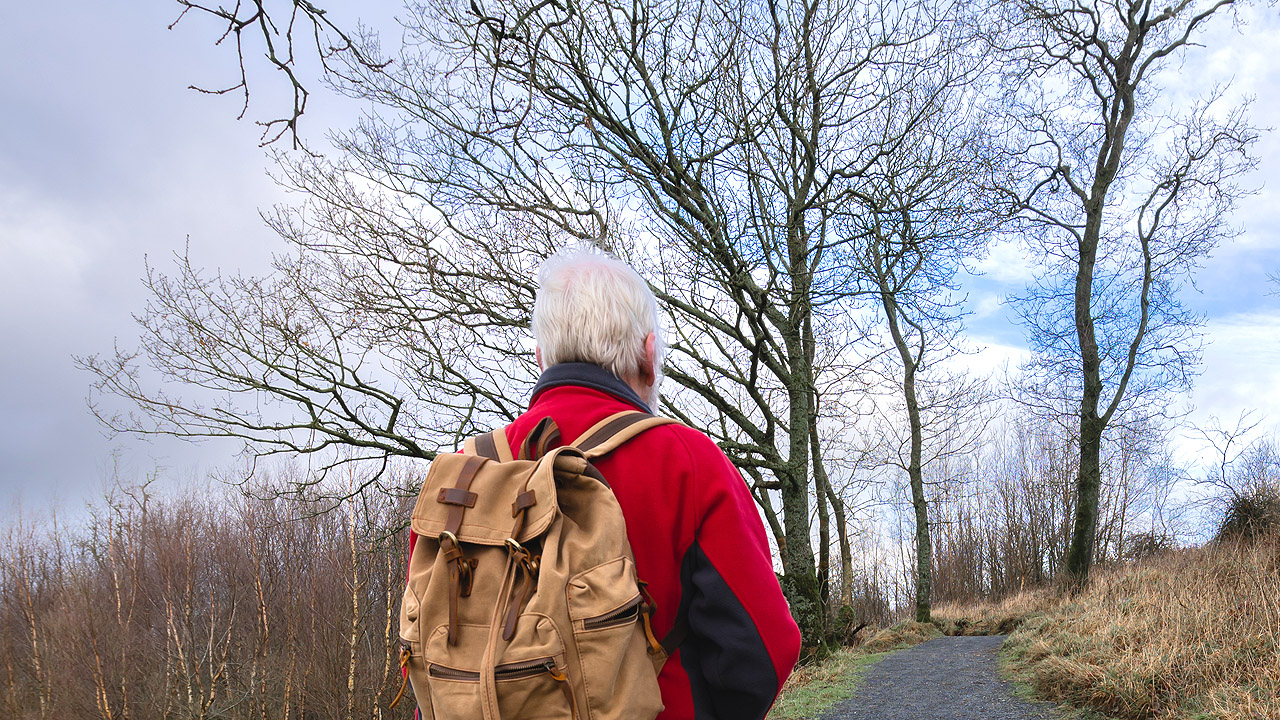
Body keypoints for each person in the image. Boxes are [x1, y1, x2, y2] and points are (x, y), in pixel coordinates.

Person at [409, 245, 801, 720]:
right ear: (649, 356)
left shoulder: (461, 480)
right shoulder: (688, 464)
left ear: (540, 357)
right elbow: (761, 652)